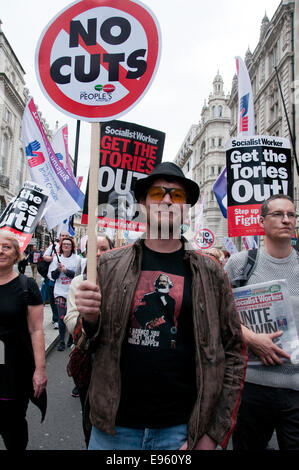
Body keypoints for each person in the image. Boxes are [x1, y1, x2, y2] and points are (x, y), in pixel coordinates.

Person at [74, 161, 246, 451]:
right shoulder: (108, 265)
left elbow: (233, 353)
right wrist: (89, 319)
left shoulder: (211, 270)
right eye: (157, 193)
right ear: (142, 204)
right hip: (114, 430)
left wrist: (212, 435)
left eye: (177, 196)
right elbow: (85, 343)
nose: (167, 200)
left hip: (181, 431)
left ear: (185, 208)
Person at [225, 194, 299, 450]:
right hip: (251, 388)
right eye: (278, 214)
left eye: (291, 214)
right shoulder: (240, 264)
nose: (286, 220)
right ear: (262, 221)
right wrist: (251, 338)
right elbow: (220, 313)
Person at [64, 234, 114, 446]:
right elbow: (71, 317)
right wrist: (89, 319)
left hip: (116, 362)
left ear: (112, 250)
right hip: (89, 360)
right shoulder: (79, 282)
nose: (99, 254)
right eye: (94, 250)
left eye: (104, 248)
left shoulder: (125, 280)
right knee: (91, 417)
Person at [0, 230, 47, 450]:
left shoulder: (26, 285)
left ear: (17, 254)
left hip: (13, 370)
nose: (1, 251)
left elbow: (37, 330)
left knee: (13, 428)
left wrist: (40, 370)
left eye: (7, 247)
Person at [51, 237, 80, 351]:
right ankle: (62, 341)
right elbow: (53, 277)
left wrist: (65, 271)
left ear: (72, 247)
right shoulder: (56, 260)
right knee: (62, 317)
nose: (66, 246)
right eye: (64, 244)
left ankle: (71, 338)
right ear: (61, 247)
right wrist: (58, 270)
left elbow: (78, 275)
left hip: (72, 292)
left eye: (68, 244)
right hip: (60, 292)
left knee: (72, 317)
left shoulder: (77, 259)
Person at [43, 231, 71, 329]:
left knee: (63, 301)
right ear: (59, 237)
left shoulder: (70, 248)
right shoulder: (53, 247)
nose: (64, 237)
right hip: (52, 279)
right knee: (52, 300)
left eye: (66, 236)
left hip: (64, 280)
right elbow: (44, 257)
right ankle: (56, 319)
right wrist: (52, 257)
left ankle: (63, 318)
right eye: (63, 235)